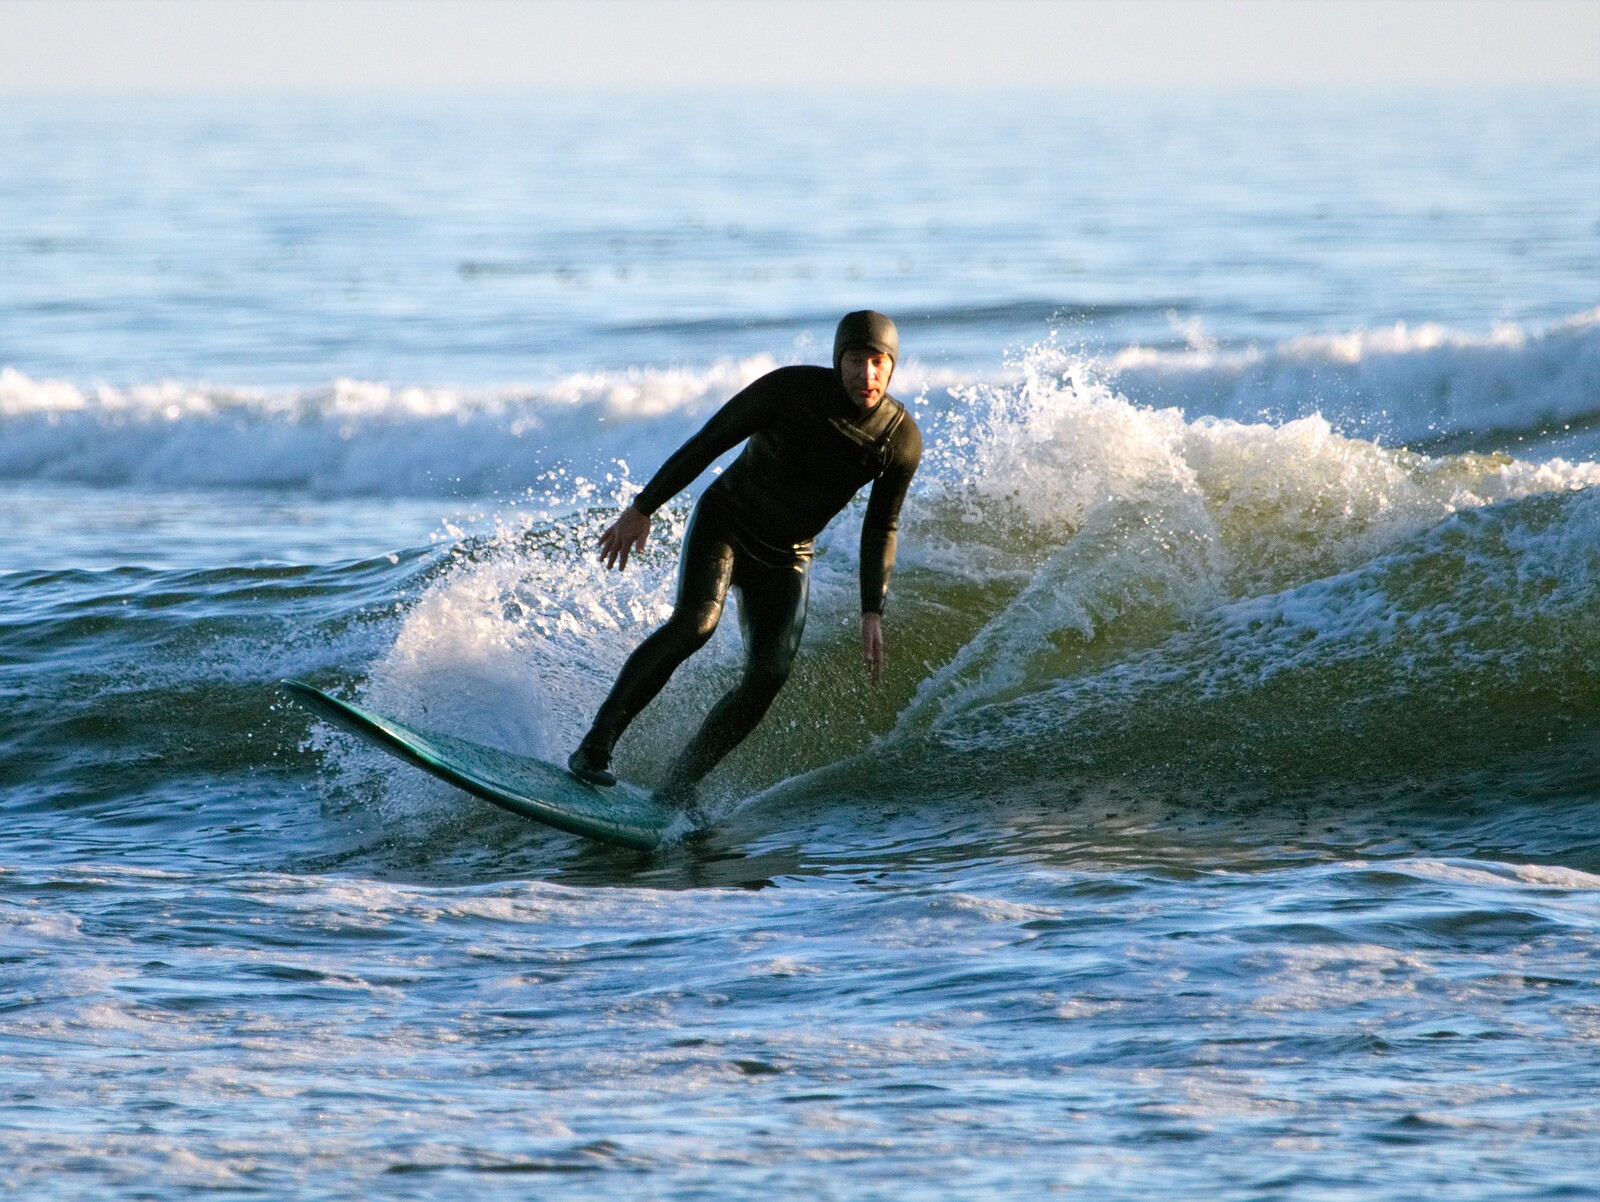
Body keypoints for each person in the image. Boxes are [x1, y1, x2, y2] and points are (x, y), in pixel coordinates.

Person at [568, 310, 923, 805]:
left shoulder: (898, 439)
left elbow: (881, 525)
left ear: (892, 367)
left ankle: (677, 788)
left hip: (789, 556)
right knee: (696, 625)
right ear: (838, 360)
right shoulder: (787, 391)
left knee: (768, 675)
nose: (867, 374)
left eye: (879, 363)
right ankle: (594, 749)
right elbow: (708, 443)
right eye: (856, 361)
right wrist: (642, 508)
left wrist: (871, 610)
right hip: (727, 524)